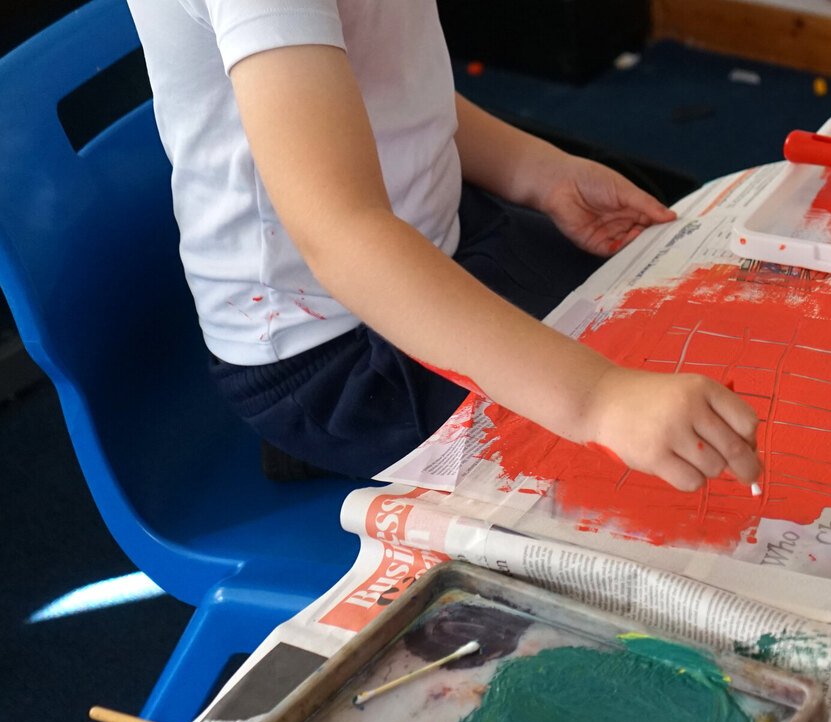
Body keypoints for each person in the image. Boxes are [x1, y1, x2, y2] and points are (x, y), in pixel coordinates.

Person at [125, 1, 761, 490]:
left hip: (439, 232)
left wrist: (538, 173)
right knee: (649, 456)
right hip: (342, 352)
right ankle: (313, 440)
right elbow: (340, 234)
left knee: (678, 308)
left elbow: (389, 82)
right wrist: (600, 400)